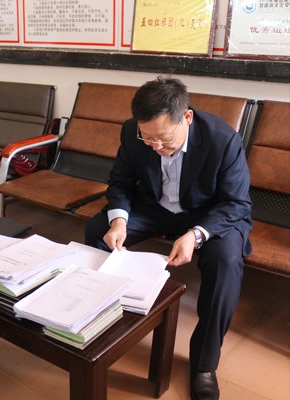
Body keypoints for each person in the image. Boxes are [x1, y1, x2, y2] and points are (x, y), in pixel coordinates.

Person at [84, 77, 252, 400]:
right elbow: (120, 182)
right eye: (148, 139)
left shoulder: (223, 139)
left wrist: (195, 234)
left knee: (226, 261)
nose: (156, 147)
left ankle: (204, 365)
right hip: (156, 208)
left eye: (163, 138)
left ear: (186, 117)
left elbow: (237, 203)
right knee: (98, 231)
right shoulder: (133, 131)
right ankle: (96, 319)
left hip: (208, 214)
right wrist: (119, 221)